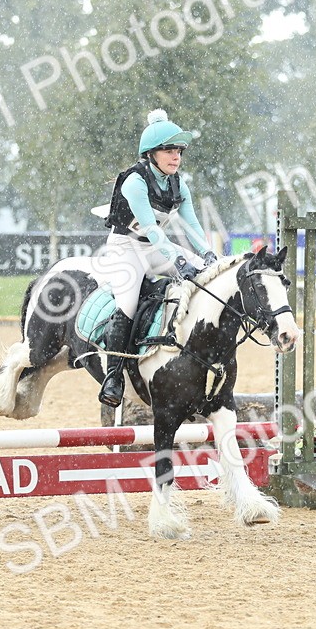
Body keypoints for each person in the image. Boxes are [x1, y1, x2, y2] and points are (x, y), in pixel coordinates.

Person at [95, 108, 219, 407]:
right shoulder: (134, 182)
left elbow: (191, 225)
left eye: (179, 150)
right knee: (127, 303)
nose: (175, 156)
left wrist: (207, 254)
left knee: (206, 274)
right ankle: (113, 376)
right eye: (168, 150)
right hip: (126, 249)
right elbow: (151, 228)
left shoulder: (178, 183)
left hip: (153, 249)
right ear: (151, 153)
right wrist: (176, 261)